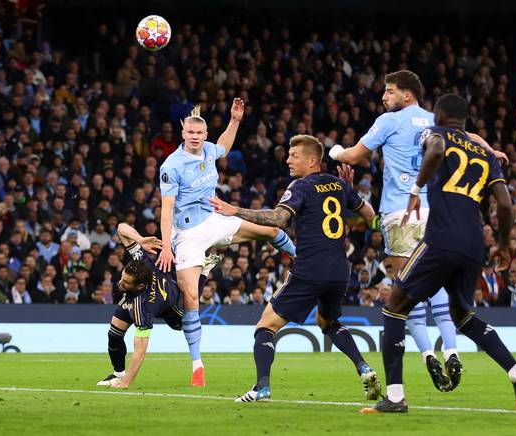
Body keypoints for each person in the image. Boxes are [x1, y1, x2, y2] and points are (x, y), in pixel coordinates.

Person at [360, 94, 516, 413]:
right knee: (463, 315)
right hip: (473, 244)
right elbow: (507, 204)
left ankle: (396, 397)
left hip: (440, 237)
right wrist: (504, 245)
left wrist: (415, 191)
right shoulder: (485, 154)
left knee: (394, 306)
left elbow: (438, 149)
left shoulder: (436, 133)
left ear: (438, 116)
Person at [329, 70, 477, 389]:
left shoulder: (389, 122)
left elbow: (355, 155)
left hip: (400, 212)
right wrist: (492, 151)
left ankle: (427, 356)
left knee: (405, 293)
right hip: (434, 211)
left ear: (407, 94)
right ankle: (451, 350)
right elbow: (471, 140)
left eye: (390, 91)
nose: (384, 96)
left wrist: (335, 151)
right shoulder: (434, 121)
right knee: (437, 286)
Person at [210, 134, 381, 402]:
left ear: (312, 160)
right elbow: (371, 216)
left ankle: (261, 388)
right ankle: (364, 367)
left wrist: (236, 210)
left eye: (294, 156)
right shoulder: (339, 185)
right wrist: (351, 191)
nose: (288, 159)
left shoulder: (301, 186)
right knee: (328, 321)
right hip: (339, 271)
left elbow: (278, 219)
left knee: (265, 326)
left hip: (310, 268)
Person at [156, 99, 296, 386]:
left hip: (215, 220)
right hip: (187, 235)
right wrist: (166, 245)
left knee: (268, 231)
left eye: (200, 134)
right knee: (191, 298)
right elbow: (167, 208)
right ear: (183, 134)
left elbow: (224, 147)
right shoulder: (171, 165)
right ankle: (197, 366)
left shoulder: (209, 149)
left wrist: (234, 121)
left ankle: (302, 259)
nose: (195, 137)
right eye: (190, 133)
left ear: (204, 136)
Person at [97, 223, 220, 388]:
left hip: (173, 305)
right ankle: (118, 374)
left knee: (184, 317)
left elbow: (140, 351)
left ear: (140, 286)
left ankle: (203, 272)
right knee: (114, 334)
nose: (121, 282)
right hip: (136, 297)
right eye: (122, 277)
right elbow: (121, 227)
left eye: (126, 282)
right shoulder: (141, 261)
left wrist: (126, 384)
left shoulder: (143, 308)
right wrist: (140, 239)